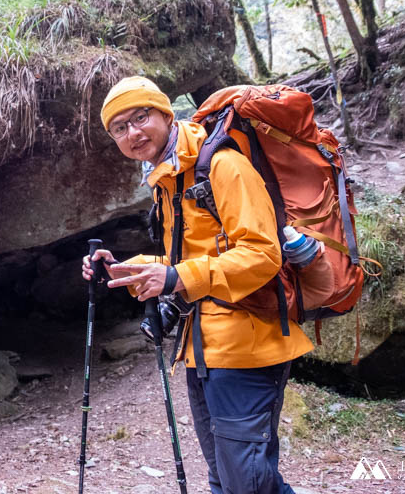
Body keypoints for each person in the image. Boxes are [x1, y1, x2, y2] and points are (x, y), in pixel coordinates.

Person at [82, 76, 313, 494]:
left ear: (166, 115)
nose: (132, 133)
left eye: (141, 117)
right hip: (202, 349)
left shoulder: (223, 165)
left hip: (248, 345)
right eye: (119, 128)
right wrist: (120, 270)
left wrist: (176, 277)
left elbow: (262, 255)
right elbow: (184, 260)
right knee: (225, 480)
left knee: (248, 484)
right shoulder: (169, 181)